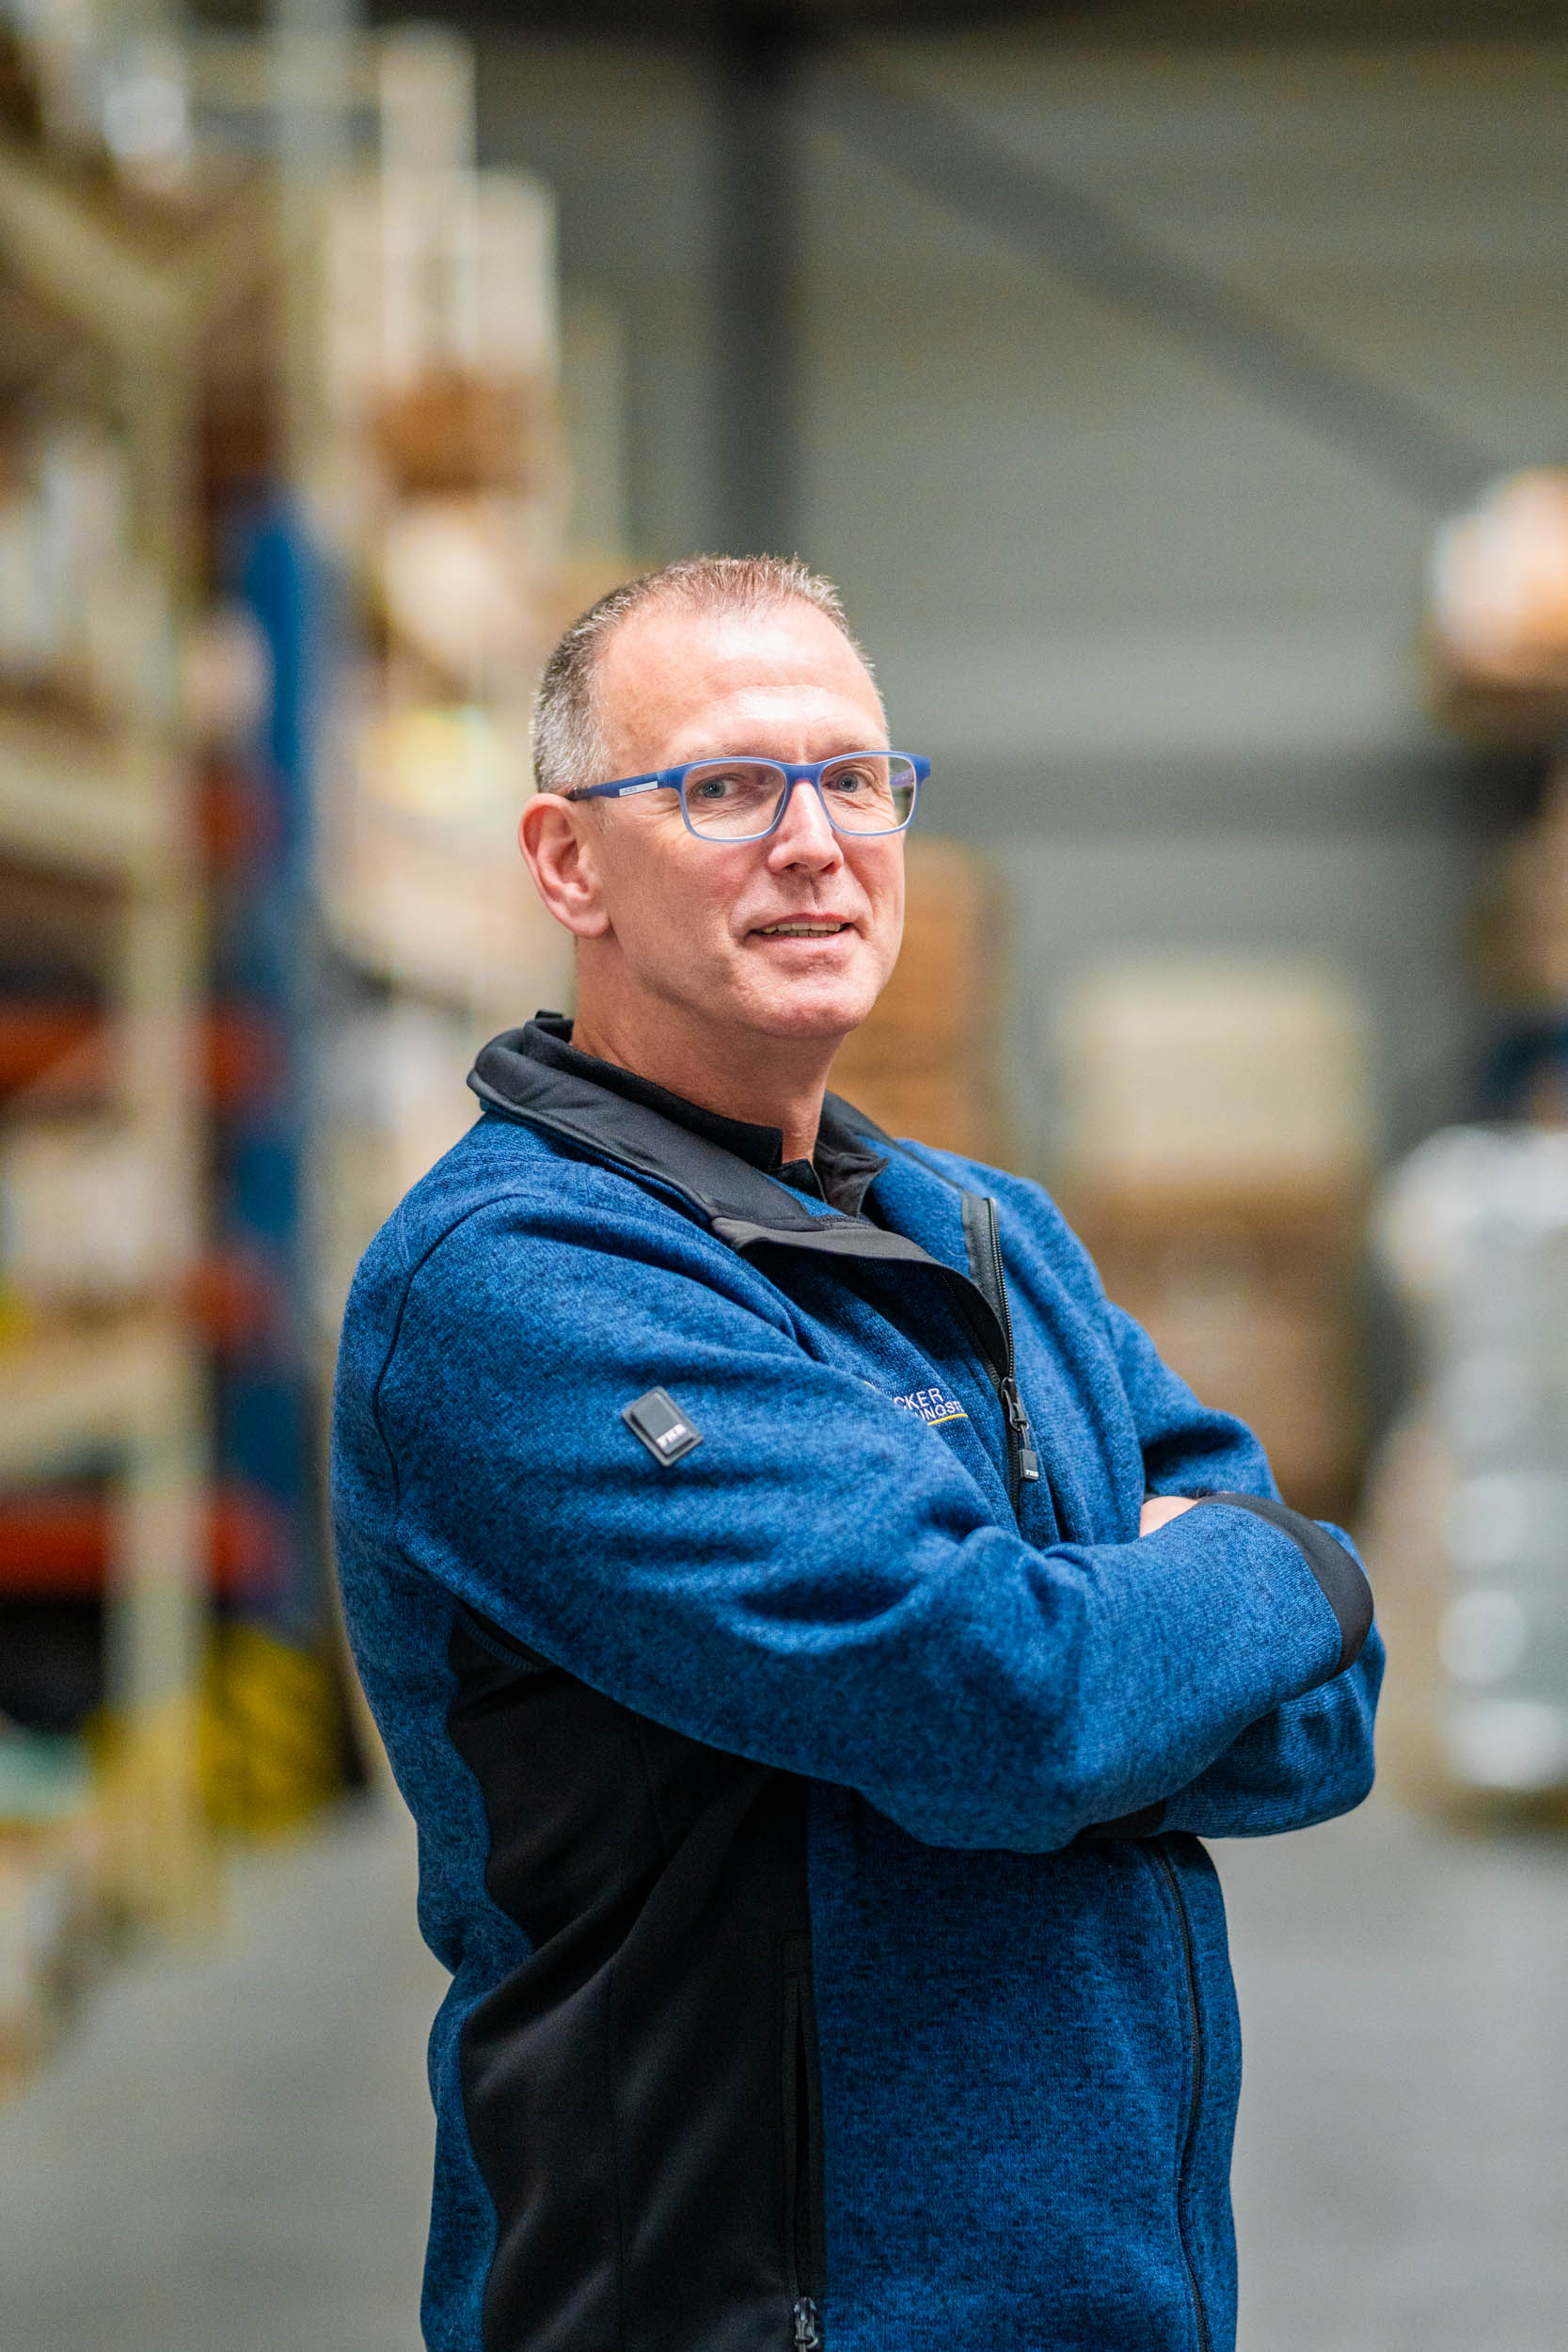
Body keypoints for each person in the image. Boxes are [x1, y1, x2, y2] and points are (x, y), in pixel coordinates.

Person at [331, 553, 1383, 2352]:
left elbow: (1326, 1723)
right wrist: (1293, 1569)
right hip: (747, 2311)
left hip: (1111, 2300)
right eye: (727, 788)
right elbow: (1007, 1697)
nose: (815, 842)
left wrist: (1101, 1666)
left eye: (855, 778)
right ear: (568, 861)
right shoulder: (522, 1283)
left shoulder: (989, 1234)